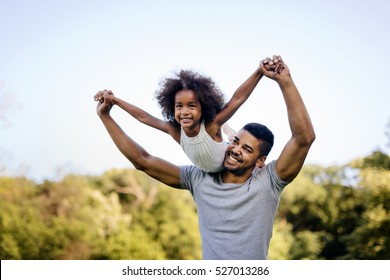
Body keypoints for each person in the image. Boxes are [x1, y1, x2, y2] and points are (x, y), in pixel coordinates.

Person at [94, 55, 315, 259]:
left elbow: (303, 138)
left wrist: (284, 81)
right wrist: (106, 117)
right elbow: (143, 160)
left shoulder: (268, 182)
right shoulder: (198, 178)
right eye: (236, 142)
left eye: (247, 149)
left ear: (260, 161)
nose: (236, 149)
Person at [94, 63, 265, 173]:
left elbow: (237, 99)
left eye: (191, 106)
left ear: (203, 107)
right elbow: (143, 117)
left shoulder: (211, 125)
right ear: (171, 107)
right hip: (208, 170)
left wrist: (259, 71)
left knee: (231, 136)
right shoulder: (174, 130)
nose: (184, 112)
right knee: (228, 133)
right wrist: (115, 101)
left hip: (227, 156)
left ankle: (229, 131)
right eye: (179, 106)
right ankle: (228, 130)